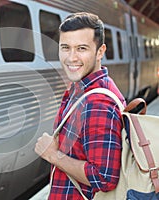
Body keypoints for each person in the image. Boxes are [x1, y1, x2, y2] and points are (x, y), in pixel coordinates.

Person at [35, 12, 126, 199]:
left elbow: (104, 178)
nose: (71, 58)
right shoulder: (81, 90)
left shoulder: (98, 103)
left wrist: (53, 155)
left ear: (100, 51)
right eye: (65, 48)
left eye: (81, 48)